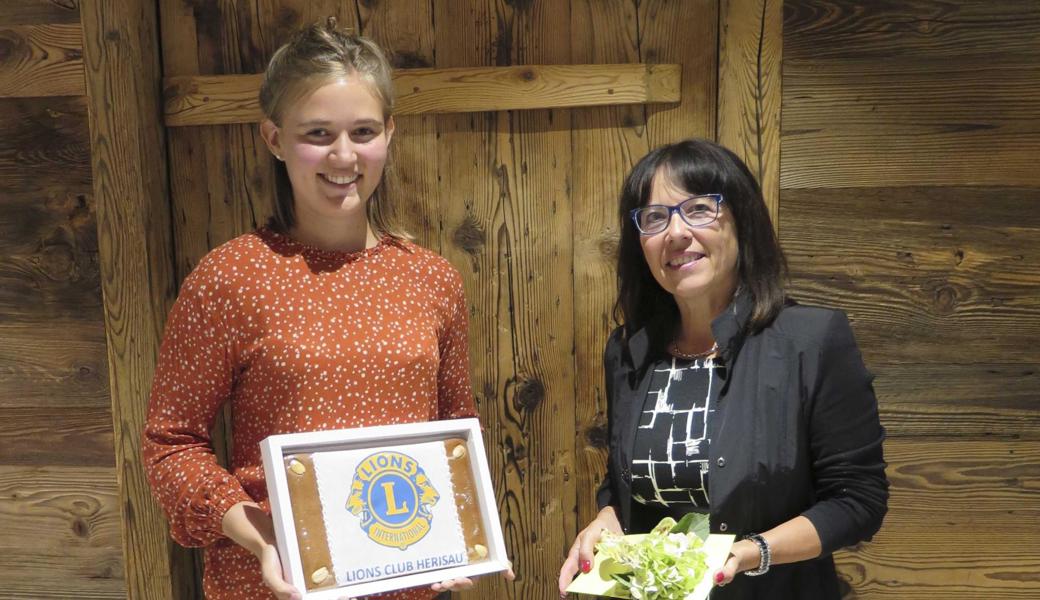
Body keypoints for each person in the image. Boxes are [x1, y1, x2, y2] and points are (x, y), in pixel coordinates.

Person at [143, 19, 509, 600]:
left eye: (363, 130)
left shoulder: (431, 278)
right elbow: (170, 442)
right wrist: (263, 537)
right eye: (318, 132)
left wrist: (465, 534)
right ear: (274, 139)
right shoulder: (230, 278)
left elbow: (455, 433)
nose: (344, 155)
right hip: (275, 587)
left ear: (389, 132)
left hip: (406, 585)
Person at [558, 139, 888, 599]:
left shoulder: (810, 341)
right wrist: (604, 520)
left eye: (698, 209)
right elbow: (625, 487)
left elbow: (858, 500)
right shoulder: (628, 351)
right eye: (654, 217)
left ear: (742, 220)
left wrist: (749, 552)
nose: (675, 232)